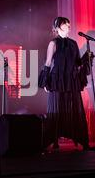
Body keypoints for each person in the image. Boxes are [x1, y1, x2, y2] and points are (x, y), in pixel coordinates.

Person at [39, 17, 92, 151]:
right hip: (57, 81)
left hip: (71, 80)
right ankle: (52, 139)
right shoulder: (53, 43)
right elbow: (48, 63)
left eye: (69, 24)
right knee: (56, 109)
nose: (69, 26)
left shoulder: (73, 43)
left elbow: (78, 63)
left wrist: (87, 57)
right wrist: (45, 81)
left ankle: (81, 139)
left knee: (74, 109)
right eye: (66, 24)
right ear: (58, 27)